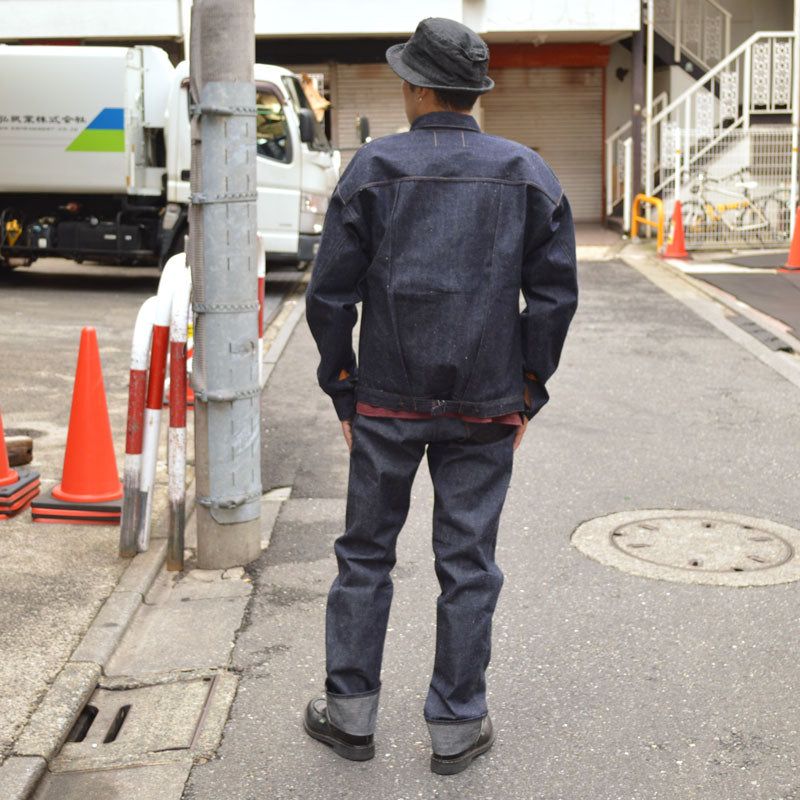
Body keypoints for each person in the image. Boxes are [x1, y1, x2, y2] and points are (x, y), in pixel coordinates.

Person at [303, 17, 578, 775]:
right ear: (472, 91)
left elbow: (330, 297)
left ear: (419, 87)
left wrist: (344, 390)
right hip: (488, 404)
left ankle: (351, 716)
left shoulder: (374, 168)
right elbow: (553, 299)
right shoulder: (527, 170)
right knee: (468, 563)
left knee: (365, 554)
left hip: (387, 399)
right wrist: (526, 389)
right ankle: (456, 726)